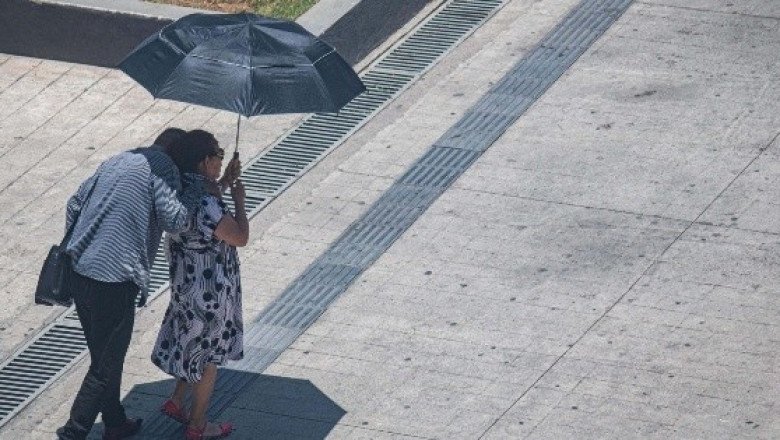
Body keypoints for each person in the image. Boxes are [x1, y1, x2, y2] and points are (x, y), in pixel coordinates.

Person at [57, 128, 189, 440]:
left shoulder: (120, 159)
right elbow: (176, 221)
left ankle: (114, 422)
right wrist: (189, 192)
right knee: (105, 365)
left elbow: (74, 204)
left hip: (80, 270)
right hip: (114, 279)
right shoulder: (164, 168)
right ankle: (73, 433)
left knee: (103, 355)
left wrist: (81, 245)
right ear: (177, 155)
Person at [151, 130, 248, 440]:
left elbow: (201, 205)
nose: (220, 160)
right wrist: (239, 202)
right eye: (218, 156)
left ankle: (177, 400)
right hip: (211, 294)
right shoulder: (208, 204)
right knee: (208, 359)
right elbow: (239, 237)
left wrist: (222, 184)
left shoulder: (178, 193)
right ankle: (198, 425)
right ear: (205, 161)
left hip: (185, 286)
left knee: (191, 345)